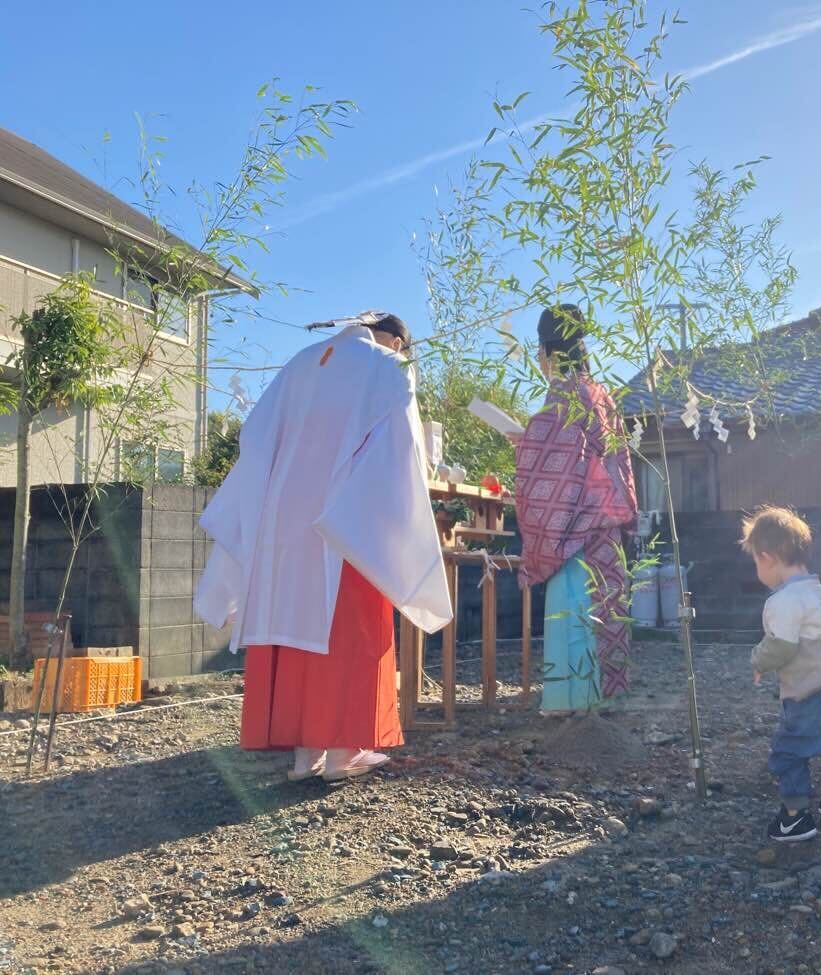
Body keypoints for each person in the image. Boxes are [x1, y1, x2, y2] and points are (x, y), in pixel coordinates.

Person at [194, 311, 452, 782]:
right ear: (396, 341)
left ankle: (302, 755)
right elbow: (404, 450)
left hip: (278, 523)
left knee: (289, 630)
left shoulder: (300, 362)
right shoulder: (386, 367)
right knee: (349, 631)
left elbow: (253, 437)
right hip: (343, 520)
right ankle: (343, 753)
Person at [512, 305, 637, 713]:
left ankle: (573, 702)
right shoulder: (600, 392)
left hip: (574, 530)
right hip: (606, 526)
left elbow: (556, 463)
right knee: (601, 612)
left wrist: (525, 444)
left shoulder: (563, 393)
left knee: (572, 615)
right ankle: (597, 701)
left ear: (547, 352)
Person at [743, 506, 821, 843]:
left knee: (788, 751)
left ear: (768, 558)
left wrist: (758, 661)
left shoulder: (784, 601)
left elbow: (781, 646)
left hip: (810, 696)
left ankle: (795, 817)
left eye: (756, 563)